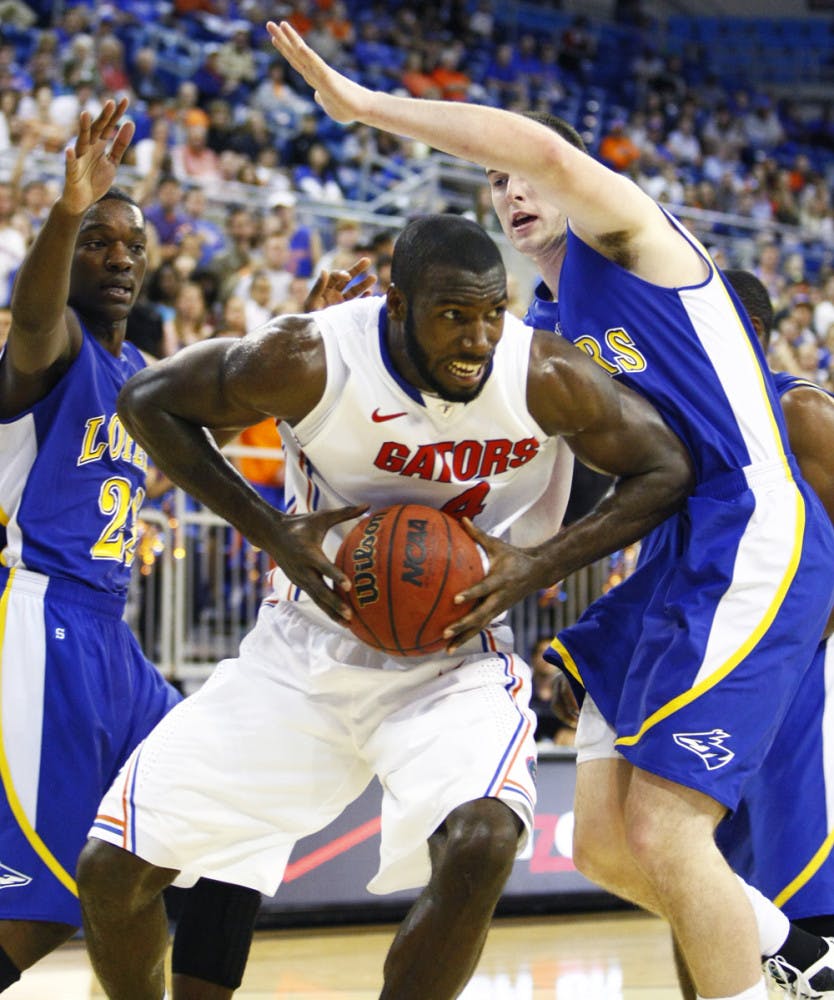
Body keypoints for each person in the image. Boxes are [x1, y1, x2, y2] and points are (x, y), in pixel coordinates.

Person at [264, 24, 834, 1000]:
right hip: (667, 561)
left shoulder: (637, 241)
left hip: (749, 529)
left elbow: (542, 151)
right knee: (604, 842)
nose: (515, 196)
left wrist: (365, 108)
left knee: (665, 827)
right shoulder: (545, 337)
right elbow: (542, 508)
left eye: (525, 179)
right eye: (497, 190)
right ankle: (800, 945)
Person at [76, 212, 693, 1000]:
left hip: (454, 656)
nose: (477, 340)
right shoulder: (312, 356)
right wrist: (274, 533)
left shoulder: (539, 373)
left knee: (484, 838)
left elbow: (663, 467)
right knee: (113, 872)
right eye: (452, 316)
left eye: (490, 314)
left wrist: (538, 563)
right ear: (397, 305)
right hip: (302, 649)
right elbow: (147, 402)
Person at [0, 98, 261, 996]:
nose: (117, 258)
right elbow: (31, 317)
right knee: (41, 905)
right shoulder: (51, 347)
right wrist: (68, 208)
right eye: (97, 242)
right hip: (42, 622)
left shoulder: (143, 376)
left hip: (115, 638)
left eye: (131, 246)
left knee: (235, 826)